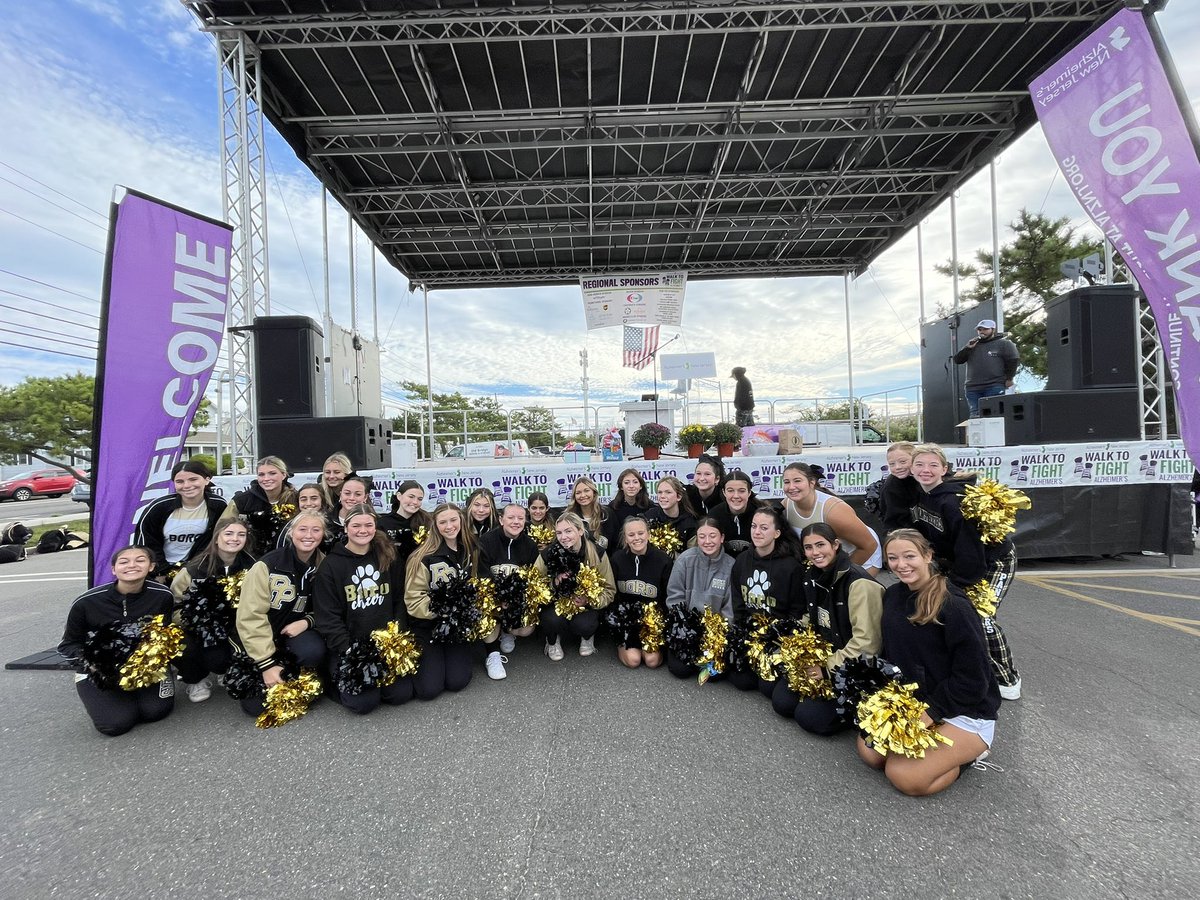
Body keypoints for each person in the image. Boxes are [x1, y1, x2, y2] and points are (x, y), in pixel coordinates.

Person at [857, 530, 999, 797]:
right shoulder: (894, 596)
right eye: (893, 558)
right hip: (916, 701)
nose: (902, 565)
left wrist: (932, 713)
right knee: (871, 753)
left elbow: (974, 680)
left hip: (963, 709)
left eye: (910, 556)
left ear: (928, 555)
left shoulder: (954, 606)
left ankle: (971, 755)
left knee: (904, 776)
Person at [909, 443, 1022, 700]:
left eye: (933, 465)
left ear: (944, 469)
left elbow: (971, 552)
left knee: (980, 617)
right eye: (920, 464)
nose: (926, 470)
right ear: (912, 468)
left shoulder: (953, 501)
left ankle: (1008, 678)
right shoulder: (919, 493)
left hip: (992, 561)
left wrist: (957, 584)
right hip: (957, 562)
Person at [774, 523, 883, 733]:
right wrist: (790, 645)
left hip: (854, 666)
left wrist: (826, 668)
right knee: (781, 701)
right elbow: (811, 618)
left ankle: (853, 710)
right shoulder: (812, 574)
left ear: (835, 545)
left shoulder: (859, 584)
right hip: (825, 653)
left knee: (810, 718)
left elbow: (867, 644)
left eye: (820, 545)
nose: (815, 553)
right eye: (808, 548)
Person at [59, 546, 176, 736]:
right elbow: (67, 645)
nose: (132, 565)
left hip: (144, 669)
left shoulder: (162, 595)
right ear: (113, 569)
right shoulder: (86, 602)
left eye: (140, 560)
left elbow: (165, 633)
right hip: (100, 672)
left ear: (151, 566)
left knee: (155, 712)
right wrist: (92, 664)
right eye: (124, 562)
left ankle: (141, 694)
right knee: (116, 724)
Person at [313, 504, 414, 714]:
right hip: (350, 647)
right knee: (363, 704)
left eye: (369, 525)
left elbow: (398, 599)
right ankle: (330, 679)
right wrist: (348, 650)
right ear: (345, 527)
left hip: (384, 643)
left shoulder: (388, 555)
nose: (363, 530)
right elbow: (328, 617)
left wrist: (396, 638)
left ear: (375, 527)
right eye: (356, 525)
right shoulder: (331, 566)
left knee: (400, 695)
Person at [235, 510, 329, 717]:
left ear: (323, 534)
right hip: (262, 638)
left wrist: (307, 621)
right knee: (257, 707)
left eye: (316, 530)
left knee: (312, 651)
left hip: (296, 634)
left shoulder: (325, 565)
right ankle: (273, 669)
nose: (308, 535)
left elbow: (329, 608)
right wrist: (266, 664)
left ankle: (303, 672)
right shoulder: (266, 565)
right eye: (302, 529)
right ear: (291, 533)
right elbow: (251, 616)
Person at [170, 517, 257, 703]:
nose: (234, 538)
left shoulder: (253, 566)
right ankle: (195, 678)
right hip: (200, 629)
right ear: (216, 537)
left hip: (235, 626)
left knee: (220, 659)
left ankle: (225, 668)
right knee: (185, 647)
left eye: (241, 534)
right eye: (229, 533)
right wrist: (198, 618)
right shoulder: (194, 569)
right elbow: (175, 605)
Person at [727, 506, 807, 696]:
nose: (756, 532)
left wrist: (777, 640)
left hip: (778, 637)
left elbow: (796, 611)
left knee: (767, 687)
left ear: (777, 533)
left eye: (764, 528)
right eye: (754, 526)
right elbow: (738, 603)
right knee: (741, 680)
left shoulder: (791, 567)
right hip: (751, 633)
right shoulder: (742, 560)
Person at [404, 504, 478, 700]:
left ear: (461, 521)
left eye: (453, 520)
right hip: (428, 626)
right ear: (435, 526)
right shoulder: (422, 557)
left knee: (457, 682)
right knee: (429, 690)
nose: (449, 526)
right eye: (443, 522)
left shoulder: (471, 550)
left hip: (456, 627)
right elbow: (413, 599)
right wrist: (444, 610)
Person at [534, 512, 616, 661]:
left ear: (580, 531)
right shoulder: (547, 554)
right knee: (552, 620)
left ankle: (587, 636)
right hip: (556, 603)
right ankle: (552, 639)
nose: (563, 537)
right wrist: (554, 583)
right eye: (559, 533)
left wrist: (590, 600)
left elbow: (609, 590)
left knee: (585, 625)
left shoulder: (597, 553)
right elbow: (534, 586)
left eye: (568, 531)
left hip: (584, 606)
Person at [663, 517, 734, 679]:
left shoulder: (731, 566)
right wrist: (686, 629)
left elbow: (729, 610)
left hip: (714, 634)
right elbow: (674, 597)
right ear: (697, 538)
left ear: (722, 538)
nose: (707, 541)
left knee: (715, 676)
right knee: (680, 670)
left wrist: (716, 636)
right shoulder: (684, 560)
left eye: (713, 536)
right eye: (702, 536)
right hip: (687, 629)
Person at [781, 462, 882, 575]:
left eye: (797, 481)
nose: (791, 487)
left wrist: (835, 575)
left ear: (812, 482)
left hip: (862, 555)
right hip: (825, 560)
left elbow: (869, 545)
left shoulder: (834, 511)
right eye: (786, 482)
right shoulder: (785, 506)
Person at [133, 460, 227, 580]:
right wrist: (160, 572)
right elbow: (146, 542)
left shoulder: (218, 505)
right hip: (161, 571)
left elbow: (218, 539)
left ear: (207, 480)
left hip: (200, 571)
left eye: (193, 479)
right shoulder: (159, 507)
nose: (187, 485)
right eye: (180, 481)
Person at [476, 503, 539, 678]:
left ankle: (507, 631)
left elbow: (533, 579)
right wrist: (498, 598)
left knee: (526, 629)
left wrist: (515, 599)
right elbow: (481, 576)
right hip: (491, 597)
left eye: (520, 518)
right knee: (484, 615)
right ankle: (493, 654)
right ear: (501, 519)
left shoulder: (530, 545)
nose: (516, 522)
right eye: (511, 517)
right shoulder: (486, 541)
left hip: (516, 599)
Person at [608, 516, 673, 669]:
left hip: (652, 620)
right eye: (631, 535)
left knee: (652, 661)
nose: (637, 538)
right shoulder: (617, 558)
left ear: (648, 534)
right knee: (633, 660)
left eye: (641, 533)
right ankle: (622, 644)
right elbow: (613, 595)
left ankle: (646, 647)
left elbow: (667, 596)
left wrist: (658, 623)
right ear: (625, 538)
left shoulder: (663, 560)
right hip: (627, 619)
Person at [226, 456, 299, 549]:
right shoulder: (242, 500)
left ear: (284, 475)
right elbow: (223, 528)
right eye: (261, 474)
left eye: (272, 473)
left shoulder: (297, 498)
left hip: (288, 555)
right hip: (250, 557)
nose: (266, 478)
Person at [953, 318, 1019, 417]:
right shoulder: (973, 345)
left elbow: (1013, 360)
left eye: (985, 329)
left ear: (993, 330)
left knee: (994, 416)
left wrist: (1009, 378)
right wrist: (967, 348)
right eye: (979, 329)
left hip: (995, 385)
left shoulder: (1004, 344)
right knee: (975, 416)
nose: (982, 332)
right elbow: (957, 360)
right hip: (973, 388)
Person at [377, 480, 432, 571]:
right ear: (399, 496)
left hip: (416, 575)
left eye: (419, 499)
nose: (415, 502)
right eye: (411, 497)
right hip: (390, 574)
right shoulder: (382, 523)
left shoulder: (425, 522)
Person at [709, 470, 760, 556]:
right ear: (724, 492)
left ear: (749, 492)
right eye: (730, 490)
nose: (736, 496)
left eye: (742, 491)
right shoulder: (715, 514)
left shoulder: (761, 514)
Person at [645, 476, 698, 553]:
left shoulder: (689, 523)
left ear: (679, 496)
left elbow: (692, 556)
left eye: (668, 492)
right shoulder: (648, 517)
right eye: (660, 492)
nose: (662, 496)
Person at [878, 442, 922, 531]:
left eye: (903, 462)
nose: (897, 467)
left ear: (916, 459)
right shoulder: (891, 487)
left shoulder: (925, 477)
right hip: (906, 537)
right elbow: (894, 523)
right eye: (892, 464)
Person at [603, 468, 652, 548]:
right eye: (626, 483)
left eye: (635, 482)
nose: (631, 486)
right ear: (621, 486)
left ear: (641, 486)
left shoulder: (649, 506)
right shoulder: (612, 507)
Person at [565, 476, 609, 551]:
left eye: (586, 490)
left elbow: (615, 542)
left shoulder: (606, 514)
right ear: (574, 496)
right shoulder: (569, 517)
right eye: (578, 493)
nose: (583, 495)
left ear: (594, 493)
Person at [325, 475, 372, 546]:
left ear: (365, 497)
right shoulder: (326, 521)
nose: (351, 498)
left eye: (358, 494)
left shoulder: (375, 522)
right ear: (340, 495)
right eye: (347, 493)